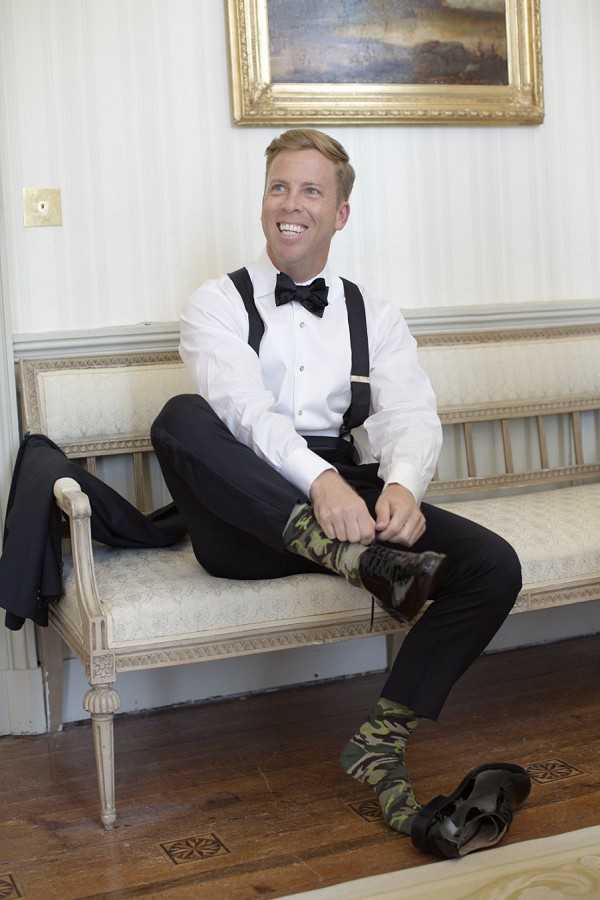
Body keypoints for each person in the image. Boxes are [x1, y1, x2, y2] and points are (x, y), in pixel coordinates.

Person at [151, 128, 522, 845]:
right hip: (246, 519)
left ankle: (379, 742)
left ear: (341, 213)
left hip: (352, 504)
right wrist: (319, 484)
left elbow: (409, 410)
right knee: (182, 417)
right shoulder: (216, 302)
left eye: (310, 190)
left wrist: (405, 486)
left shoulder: (371, 312)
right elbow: (245, 415)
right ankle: (361, 563)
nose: (289, 205)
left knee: (492, 564)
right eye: (278, 187)